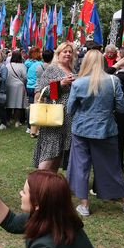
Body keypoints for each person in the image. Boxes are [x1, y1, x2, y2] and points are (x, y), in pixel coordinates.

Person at [66, 50, 124, 217]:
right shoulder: (114, 81)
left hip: (81, 129)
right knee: (111, 167)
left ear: (85, 62)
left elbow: (70, 110)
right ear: (103, 62)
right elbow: (121, 108)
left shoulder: (78, 83)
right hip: (105, 129)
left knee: (80, 167)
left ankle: (84, 205)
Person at [32, 42, 76, 171]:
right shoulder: (52, 69)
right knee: (50, 151)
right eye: (64, 51)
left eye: (70, 52)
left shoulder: (72, 70)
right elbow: (43, 91)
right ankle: (38, 180)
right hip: (54, 115)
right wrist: (61, 83)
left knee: (59, 152)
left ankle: (50, 181)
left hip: (68, 118)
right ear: (58, 54)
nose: (67, 54)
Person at [4, 51, 28, 127]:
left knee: (9, 103)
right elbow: (25, 77)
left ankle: (8, 120)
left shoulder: (7, 65)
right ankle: (17, 121)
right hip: (19, 86)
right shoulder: (22, 66)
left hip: (8, 85)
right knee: (18, 104)